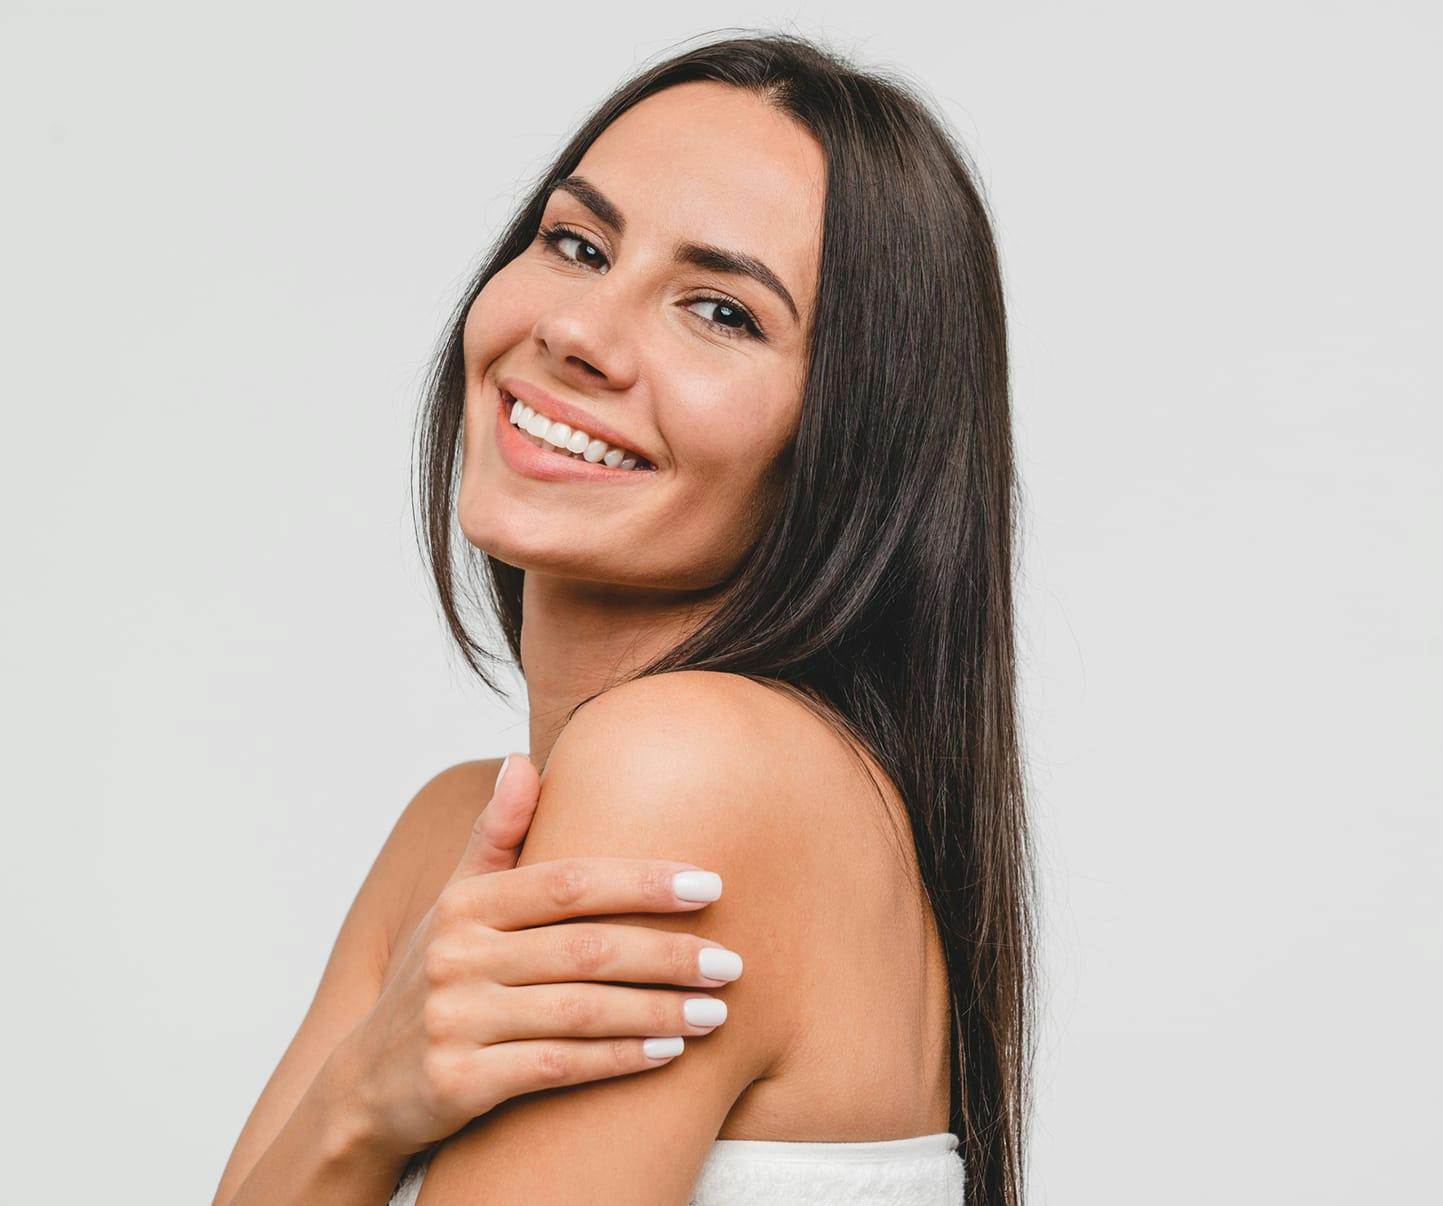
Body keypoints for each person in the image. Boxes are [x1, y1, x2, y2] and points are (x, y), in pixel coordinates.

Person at [213, 31, 1035, 1206]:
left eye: (720, 312)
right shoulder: (448, 836)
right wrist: (360, 1102)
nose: (578, 332)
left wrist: (357, 1110)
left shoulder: (687, 770)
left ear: (853, 446)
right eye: (578, 244)